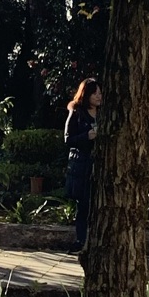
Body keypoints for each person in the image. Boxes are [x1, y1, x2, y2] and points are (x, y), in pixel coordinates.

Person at [64, 77, 102, 254]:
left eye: (100, 93)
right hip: (82, 165)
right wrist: (86, 137)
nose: (98, 96)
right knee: (84, 205)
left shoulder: (104, 114)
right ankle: (81, 241)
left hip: (100, 166)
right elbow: (68, 139)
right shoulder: (77, 112)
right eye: (94, 93)